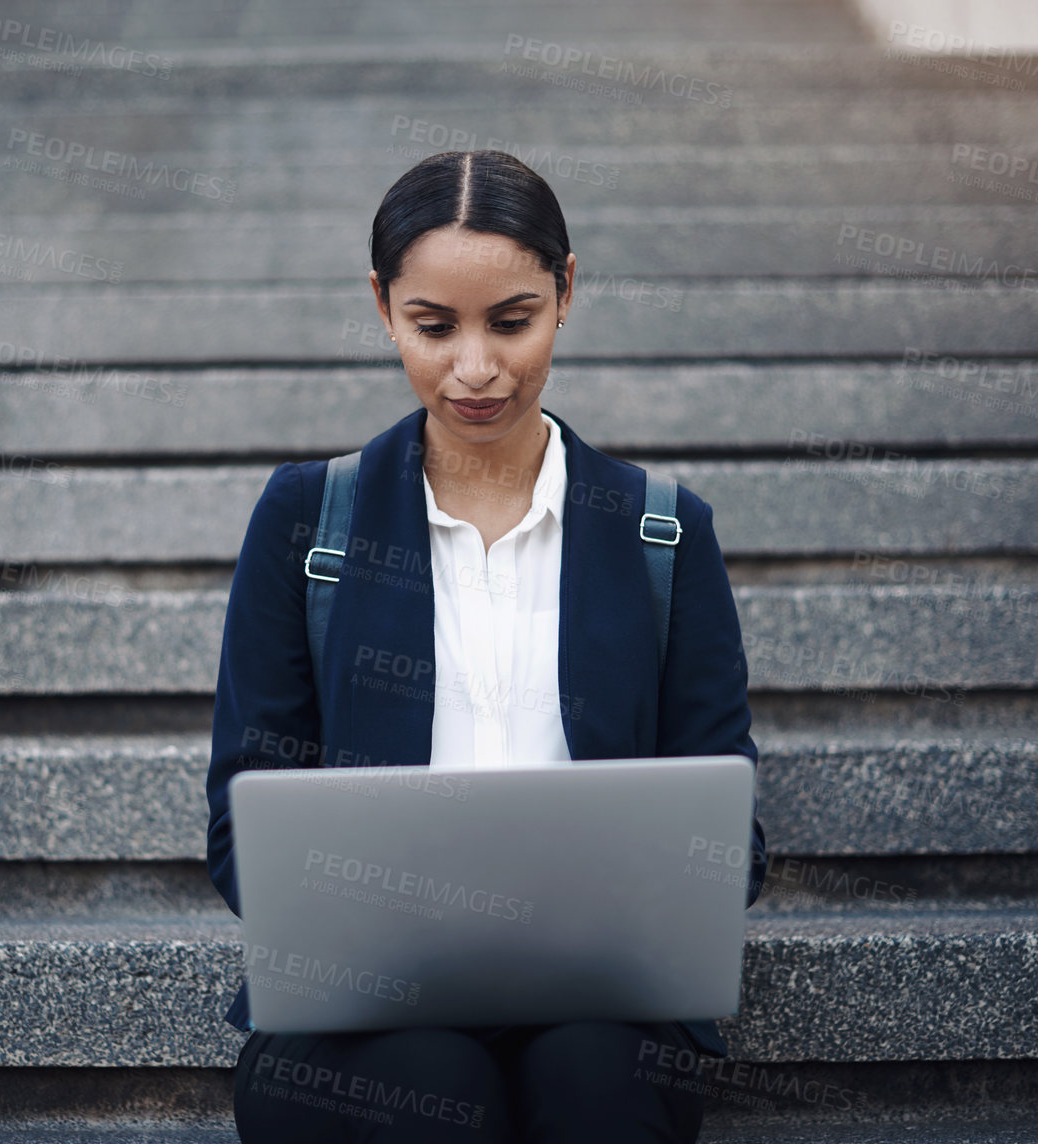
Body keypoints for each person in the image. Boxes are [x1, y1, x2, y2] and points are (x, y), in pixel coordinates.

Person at [207, 149, 767, 1142]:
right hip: (362, 1007)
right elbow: (242, 821)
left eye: (512, 320)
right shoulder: (307, 518)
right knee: (434, 1093)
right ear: (382, 306)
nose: (476, 368)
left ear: (566, 290)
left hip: (602, 1001)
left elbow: (725, 831)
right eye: (434, 326)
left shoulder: (663, 533)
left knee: (593, 1083)